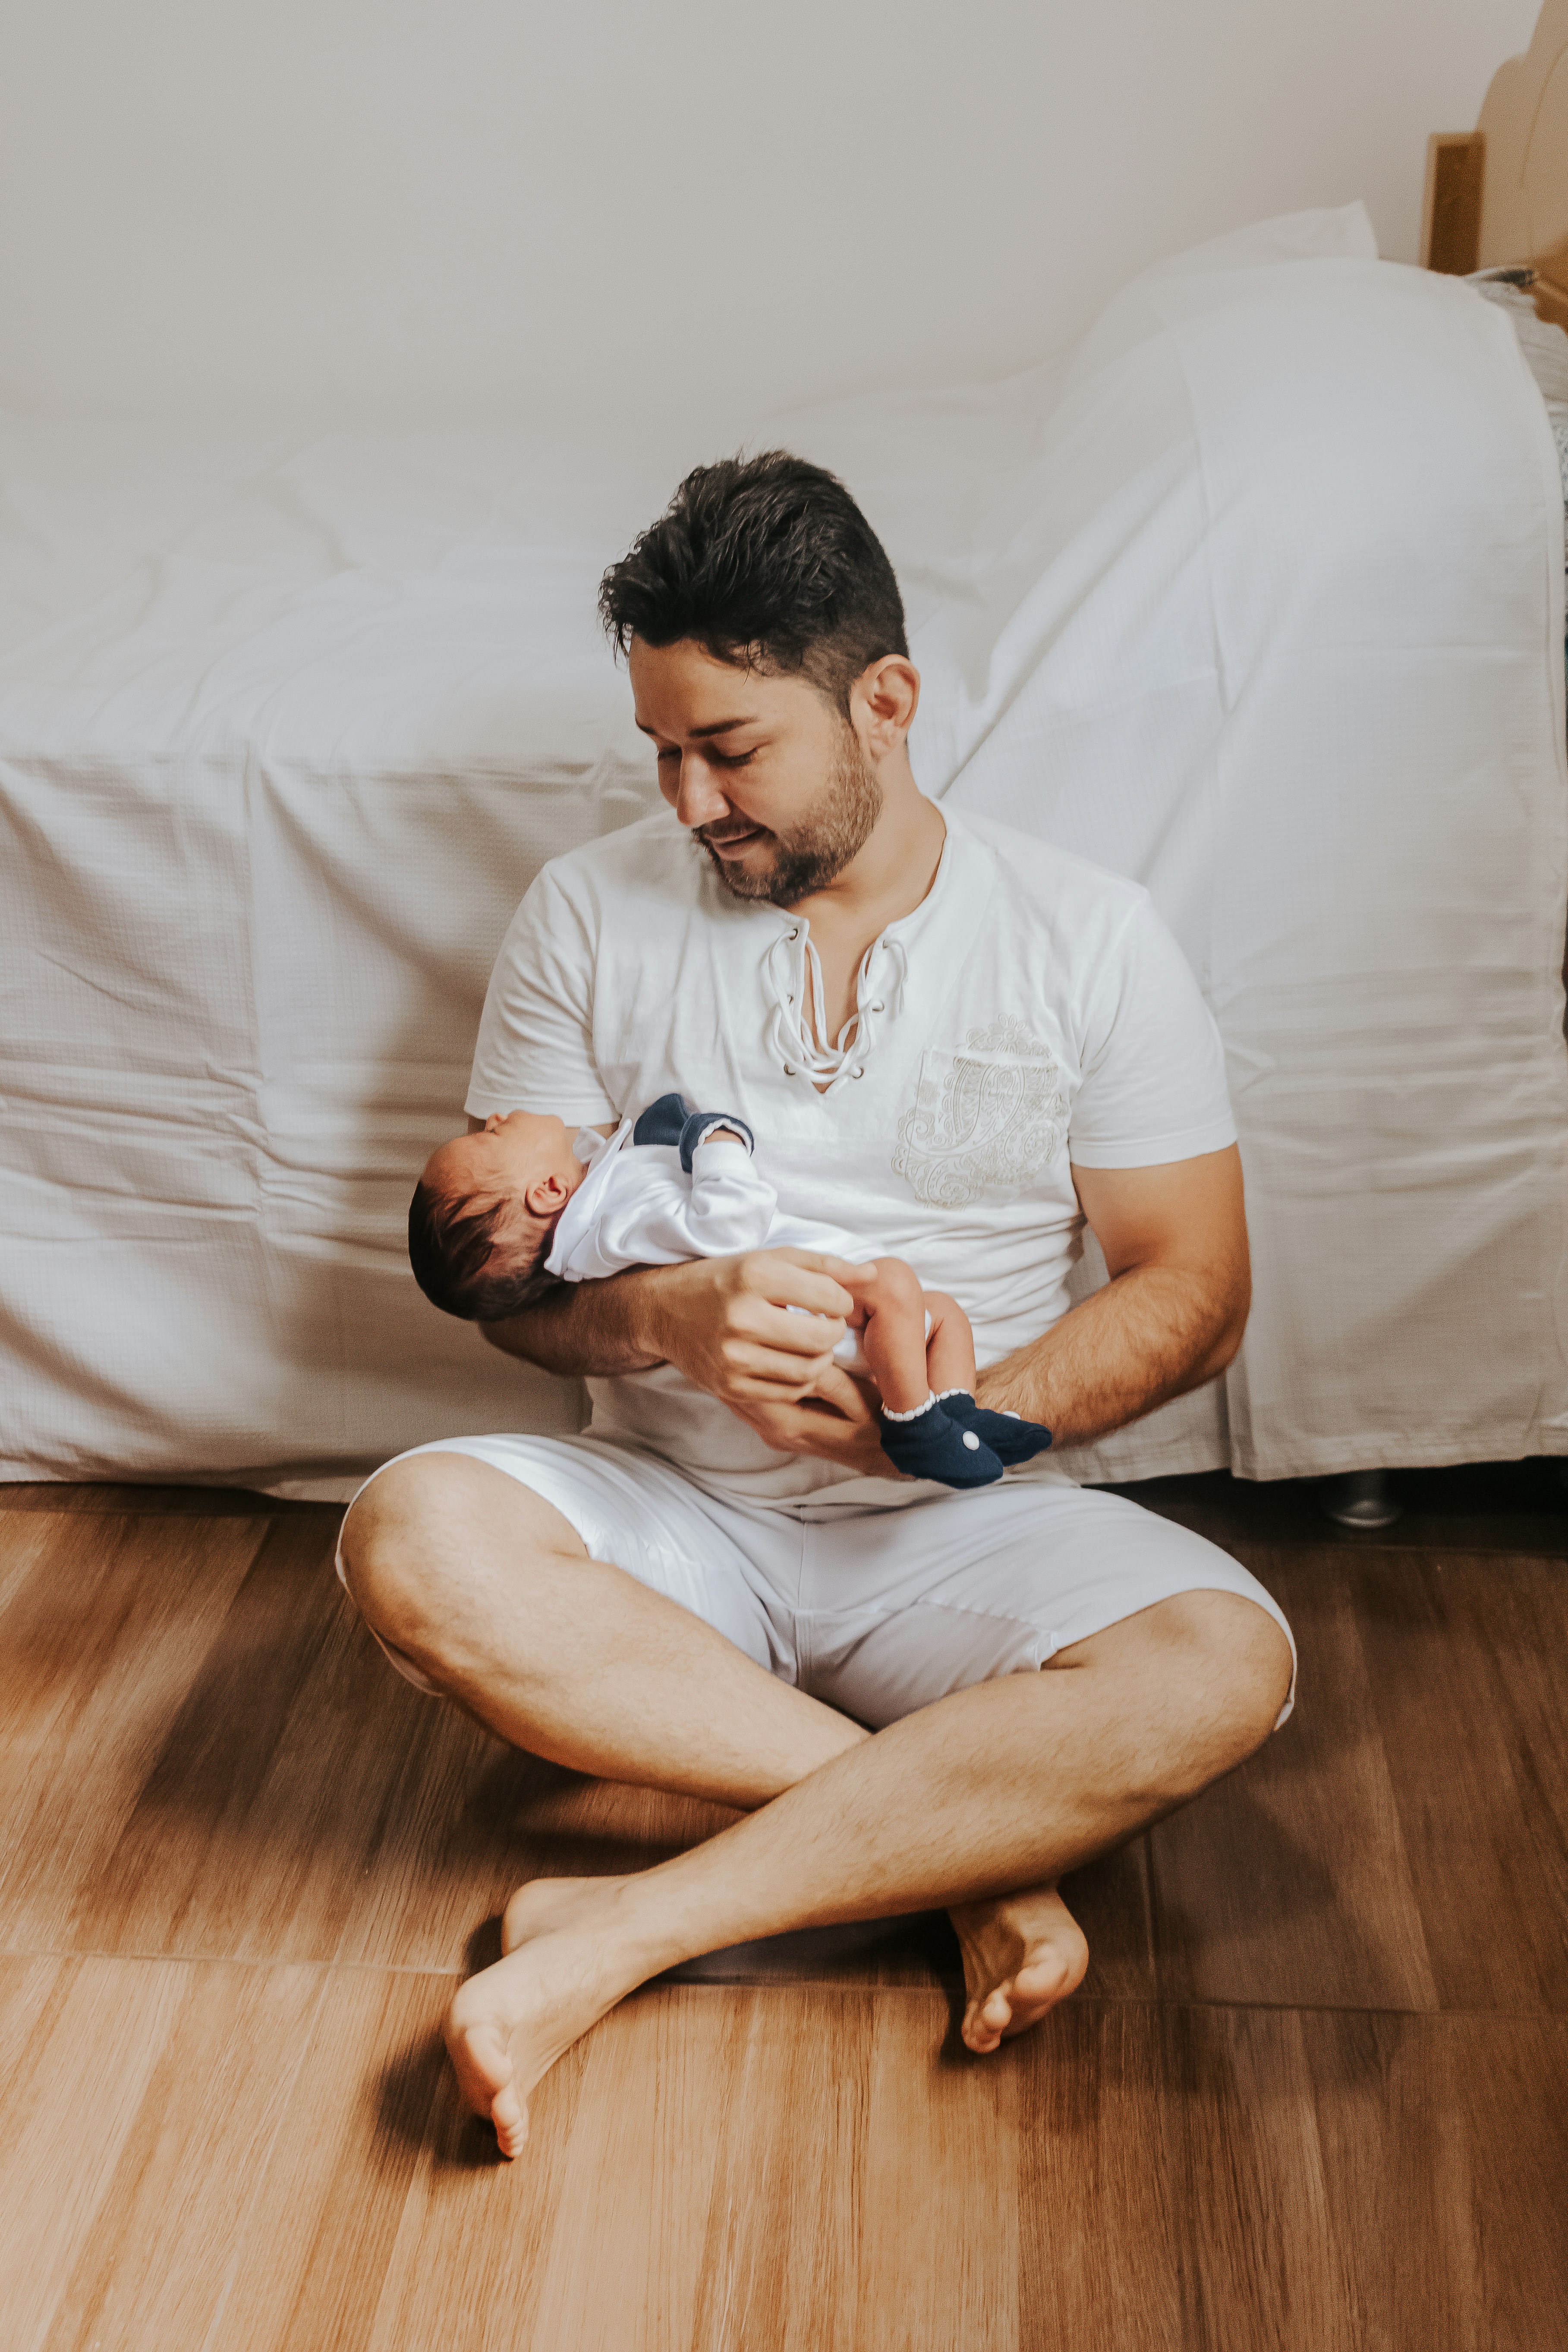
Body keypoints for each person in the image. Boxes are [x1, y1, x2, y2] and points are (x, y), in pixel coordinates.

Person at [338, 450, 1297, 2162]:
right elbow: (515, 1297)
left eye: (729, 747)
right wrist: (668, 1318)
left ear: (884, 700)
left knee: (1222, 1662)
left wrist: (968, 1421)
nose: (687, 796)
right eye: (659, 748)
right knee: (406, 1536)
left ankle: (621, 1930)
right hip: (671, 1513)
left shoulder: (1087, 937)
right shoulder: (582, 912)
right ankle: (969, 1858)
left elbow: (1195, 1288)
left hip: (963, 1526)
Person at [407, 1094, 1055, 1486]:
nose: (491, 1116)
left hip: (799, 1296)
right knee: (897, 1285)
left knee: (941, 1316)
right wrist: (719, 1142)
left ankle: (960, 1418)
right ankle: (916, 1420)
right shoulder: (613, 1216)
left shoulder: (599, 1206)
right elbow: (728, 1223)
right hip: (796, 1305)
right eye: (492, 1136)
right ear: (549, 1191)